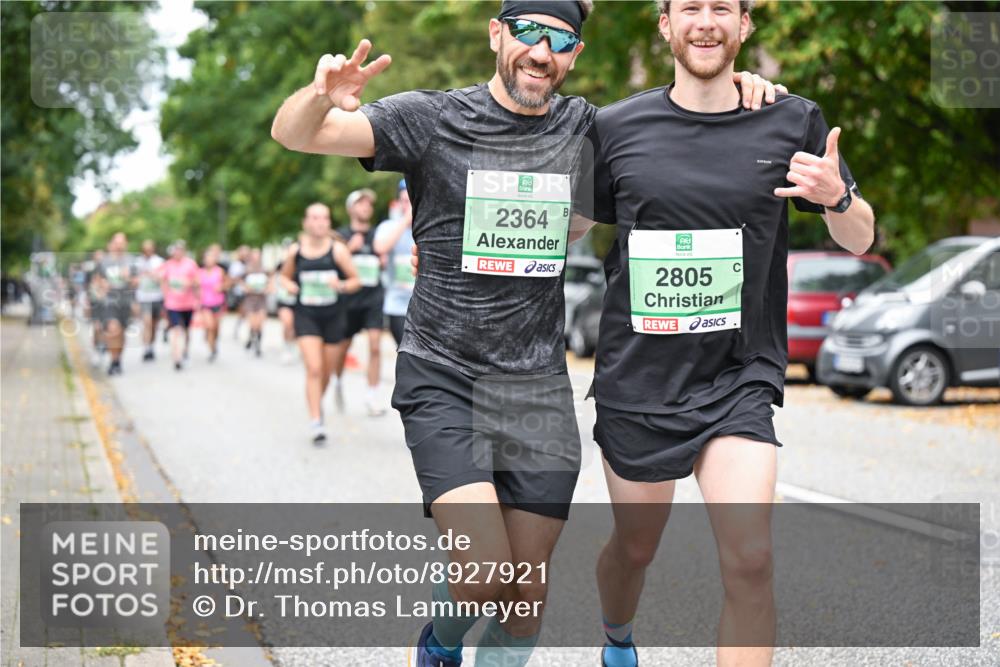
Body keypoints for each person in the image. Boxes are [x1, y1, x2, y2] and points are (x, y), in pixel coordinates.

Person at [271, 2, 782, 663]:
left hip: (536, 384)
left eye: (560, 39)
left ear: (575, 54)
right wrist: (319, 96)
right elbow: (295, 135)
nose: (541, 52)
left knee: (523, 595)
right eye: (528, 33)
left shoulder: (585, 128)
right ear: (497, 35)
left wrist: (746, 87)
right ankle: (438, 643)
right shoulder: (430, 120)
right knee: (485, 570)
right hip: (444, 375)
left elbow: (674, 127)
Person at [572, 2, 876, 666]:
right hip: (639, 382)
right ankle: (618, 636)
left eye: (721, 8)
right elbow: (564, 226)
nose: (704, 21)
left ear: (744, 26)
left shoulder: (791, 120)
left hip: (739, 376)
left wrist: (837, 199)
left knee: (751, 557)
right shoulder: (616, 127)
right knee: (635, 547)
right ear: (664, 25)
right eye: (689, 8)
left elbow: (862, 238)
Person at [280, 203, 361, 444]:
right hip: (306, 315)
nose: (320, 222)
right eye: (314, 218)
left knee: (326, 371)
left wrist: (343, 285)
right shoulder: (296, 251)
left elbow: (356, 280)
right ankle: (316, 421)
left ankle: (317, 402)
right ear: (305, 222)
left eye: (324, 218)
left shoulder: (337, 250)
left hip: (334, 316)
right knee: (314, 368)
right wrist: (290, 286)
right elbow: (283, 277)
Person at [332, 188, 386, 416]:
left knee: (375, 345)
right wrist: (348, 250)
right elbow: (330, 265)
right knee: (343, 347)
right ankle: (336, 380)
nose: (366, 208)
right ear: (351, 208)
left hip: (373, 296)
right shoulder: (340, 235)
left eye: (368, 204)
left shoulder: (378, 235)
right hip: (349, 299)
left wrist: (382, 260)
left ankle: (371, 397)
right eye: (361, 204)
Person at [373, 179, 415, 346]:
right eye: (405, 201)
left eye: (411, 200)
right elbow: (380, 247)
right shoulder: (388, 226)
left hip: (424, 305)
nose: (409, 206)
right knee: (405, 350)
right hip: (397, 304)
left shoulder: (427, 229)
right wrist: (405, 221)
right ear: (398, 203)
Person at [93, 233, 134, 376]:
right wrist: (101, 288)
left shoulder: (131, 261)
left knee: (122, 333)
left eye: (122, 242)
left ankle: (118, 360)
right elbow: (96, 282)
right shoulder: (103, 262)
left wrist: (129, 278)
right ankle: (113, 359)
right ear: (112, 244)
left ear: (126, 244)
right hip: (110, 301)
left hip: (126, 301)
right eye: (116, 242)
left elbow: (137, 282)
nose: (119, 245)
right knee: (112, 329)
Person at [160, 240, 200, 371]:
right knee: (176, 330)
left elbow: (197, 282)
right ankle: (177, 358)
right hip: (172, 304)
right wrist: (165, 296)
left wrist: (190, 285)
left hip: (188, 303)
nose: (178, 252)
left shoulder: (190, 264)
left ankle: (185, 350)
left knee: (186, 329)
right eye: (175, 250)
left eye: (180, 250)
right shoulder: (168, 265)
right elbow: (162, 280)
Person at [198, 244, 226, 362]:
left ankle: (214, 343)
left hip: (218, 303)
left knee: (216, 328)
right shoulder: (199, 272)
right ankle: (211, 350)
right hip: (205, 303)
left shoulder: (220, 271)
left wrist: (221, 287)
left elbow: (227, 284)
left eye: (211, 258)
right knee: (210, 326)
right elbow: (196, 287)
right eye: (207, 258)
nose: (209, 260)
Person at [241, 248, 269, 358]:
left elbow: (270, 284)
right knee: (253, 323)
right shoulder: (247, 270)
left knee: (260, 323)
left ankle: (258, 345)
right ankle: (251, 337)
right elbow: (241, 283)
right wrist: (246, 288)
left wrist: (266, 289)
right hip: (250, 300)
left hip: (261, 299)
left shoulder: (265, 270)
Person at [273, 250, 299, 364]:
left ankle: (293, 345)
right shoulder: (281, 265)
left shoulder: (300, 265)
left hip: (298, 302)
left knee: (295, 326)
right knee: (287, 323)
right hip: (283, 300)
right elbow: (275, 278)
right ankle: (286, 347)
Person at [227, 244, 250, 339]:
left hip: (250, 292)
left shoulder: (249, 263)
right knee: (243, 311)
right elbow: (232, 278)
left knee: (248, 312)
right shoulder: (235, 265)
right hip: (239, 292)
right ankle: (239, 329)